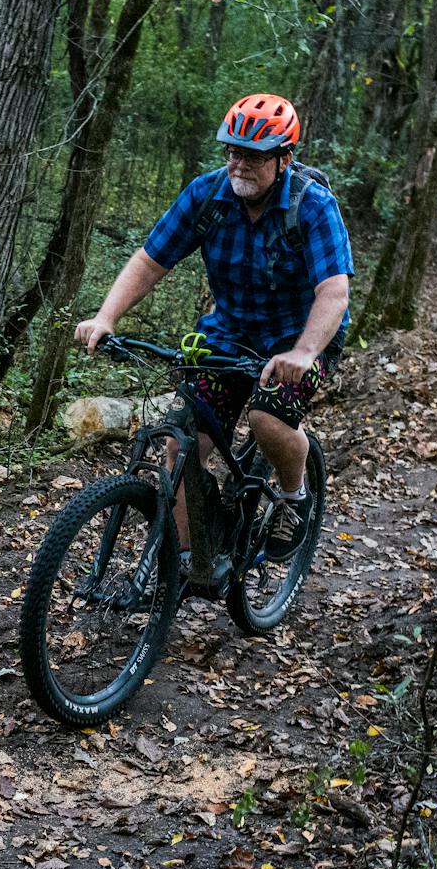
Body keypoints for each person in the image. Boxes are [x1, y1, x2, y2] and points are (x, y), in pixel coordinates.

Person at [74, 93, 354, 563]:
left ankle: (292, 496)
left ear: (284, 158)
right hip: (229, 334)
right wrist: (106, 317)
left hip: (302, 336)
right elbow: (150, 260)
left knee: (268, 418)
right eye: (233, 152)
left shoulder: (313, 206)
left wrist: (304, 352)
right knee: (179, 443)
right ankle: (191, 559)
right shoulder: (207, 194)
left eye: (254, 156)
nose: (240, 165)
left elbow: (334, 292)